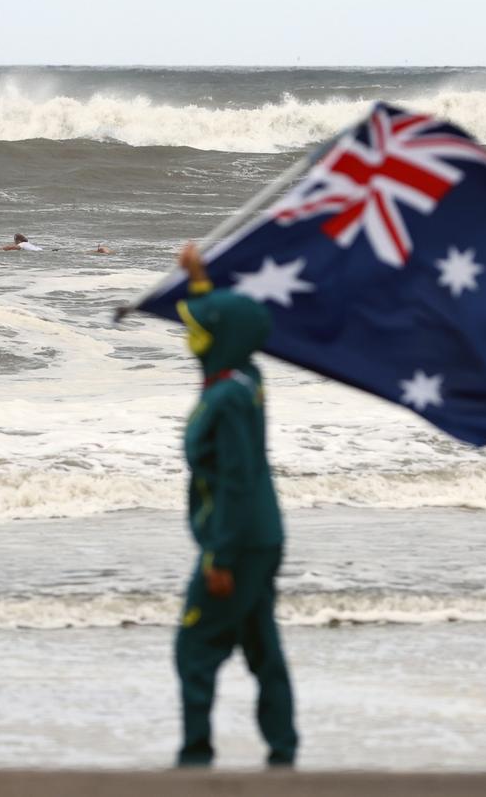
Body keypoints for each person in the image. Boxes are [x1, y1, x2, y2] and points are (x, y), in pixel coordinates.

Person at [174, 241, 298, 768]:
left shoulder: (225, 396)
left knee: (196, 647)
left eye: (200, 325)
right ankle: (283, 754)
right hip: (262, 535)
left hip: (238, 540)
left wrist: (219, 557)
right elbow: (225, 331)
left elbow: (236, 481)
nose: (190, 333)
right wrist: (199, 279)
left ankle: (195, 758)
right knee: (261, 646)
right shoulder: (247, 377)